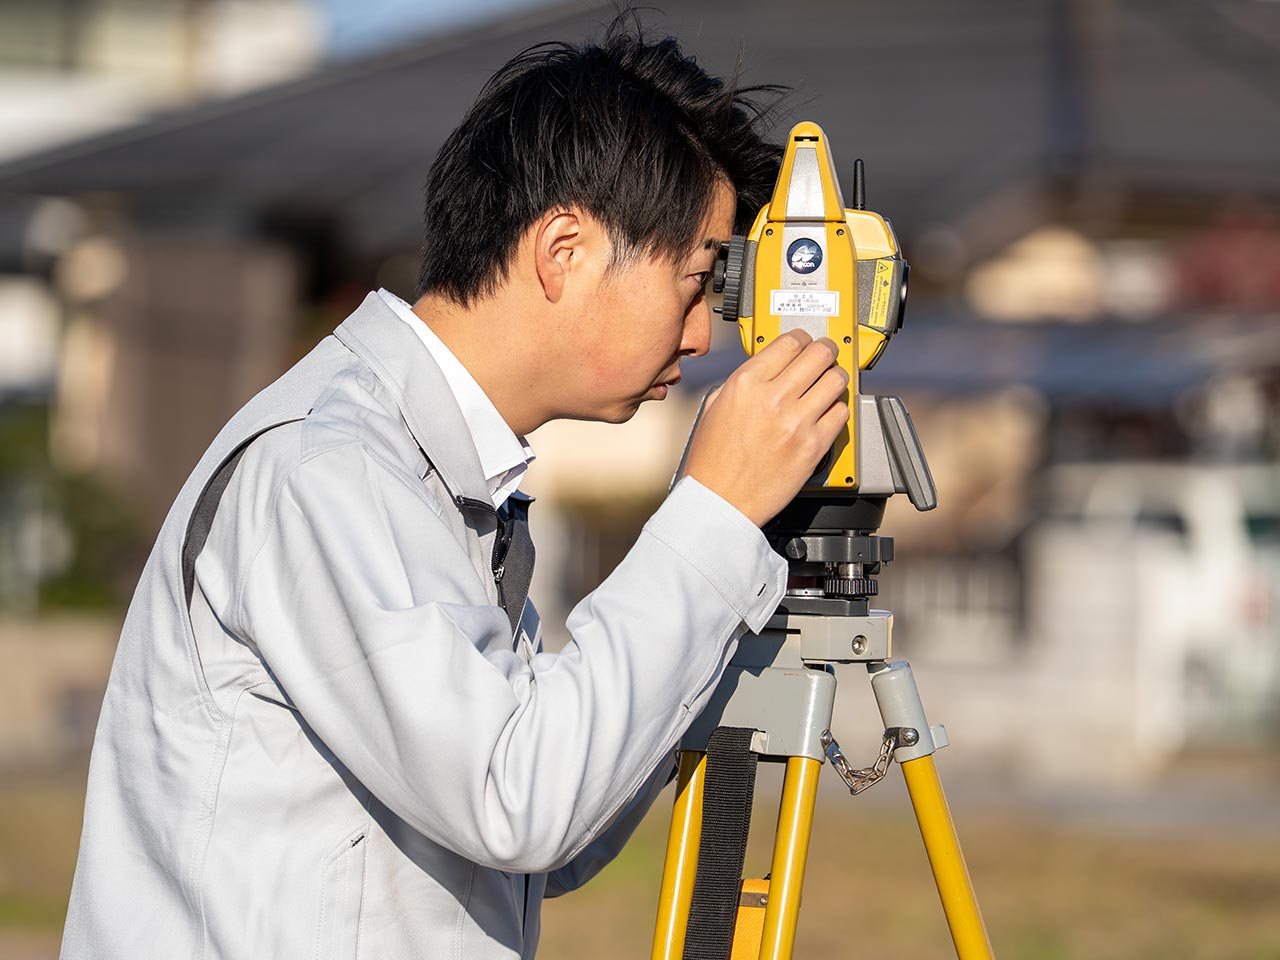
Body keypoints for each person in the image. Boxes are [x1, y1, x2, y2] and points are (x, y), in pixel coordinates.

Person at [59, 17, 849, 960]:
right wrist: (711, 520)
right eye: (692, 282)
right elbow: (518, 802)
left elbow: (552, 839)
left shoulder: (458, 481)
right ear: (565, 250)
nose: (700, 336)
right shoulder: (332, 467)